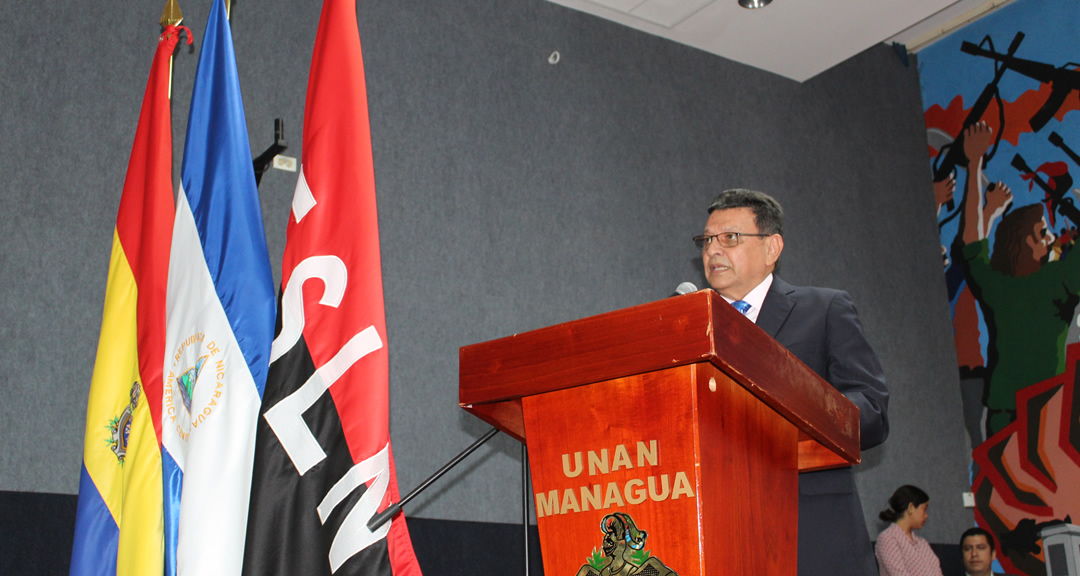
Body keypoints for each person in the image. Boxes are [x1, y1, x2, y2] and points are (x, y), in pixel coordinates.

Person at [695, 189, 889, 576]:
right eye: (706, 240)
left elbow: (872, 410)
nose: (713, 250)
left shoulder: (824, 309)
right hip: (721, 534)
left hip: (812, 531)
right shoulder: (695, 326)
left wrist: (803, 409)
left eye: (729, 238)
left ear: (772, 248)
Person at [958, 121, 1080, 434]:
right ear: (1020, 244)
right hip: (1044, 415)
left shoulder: (1000, 288)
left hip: (1007, 416)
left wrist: (974, 165)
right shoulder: (1056, 281)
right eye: (1042, 233)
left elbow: (972, 242)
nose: (1052, 238)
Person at [874, 485, 943, 576]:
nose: (926, 516)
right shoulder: (887, 538)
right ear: (911, 507)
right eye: (924, 509)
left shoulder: (922, 543)